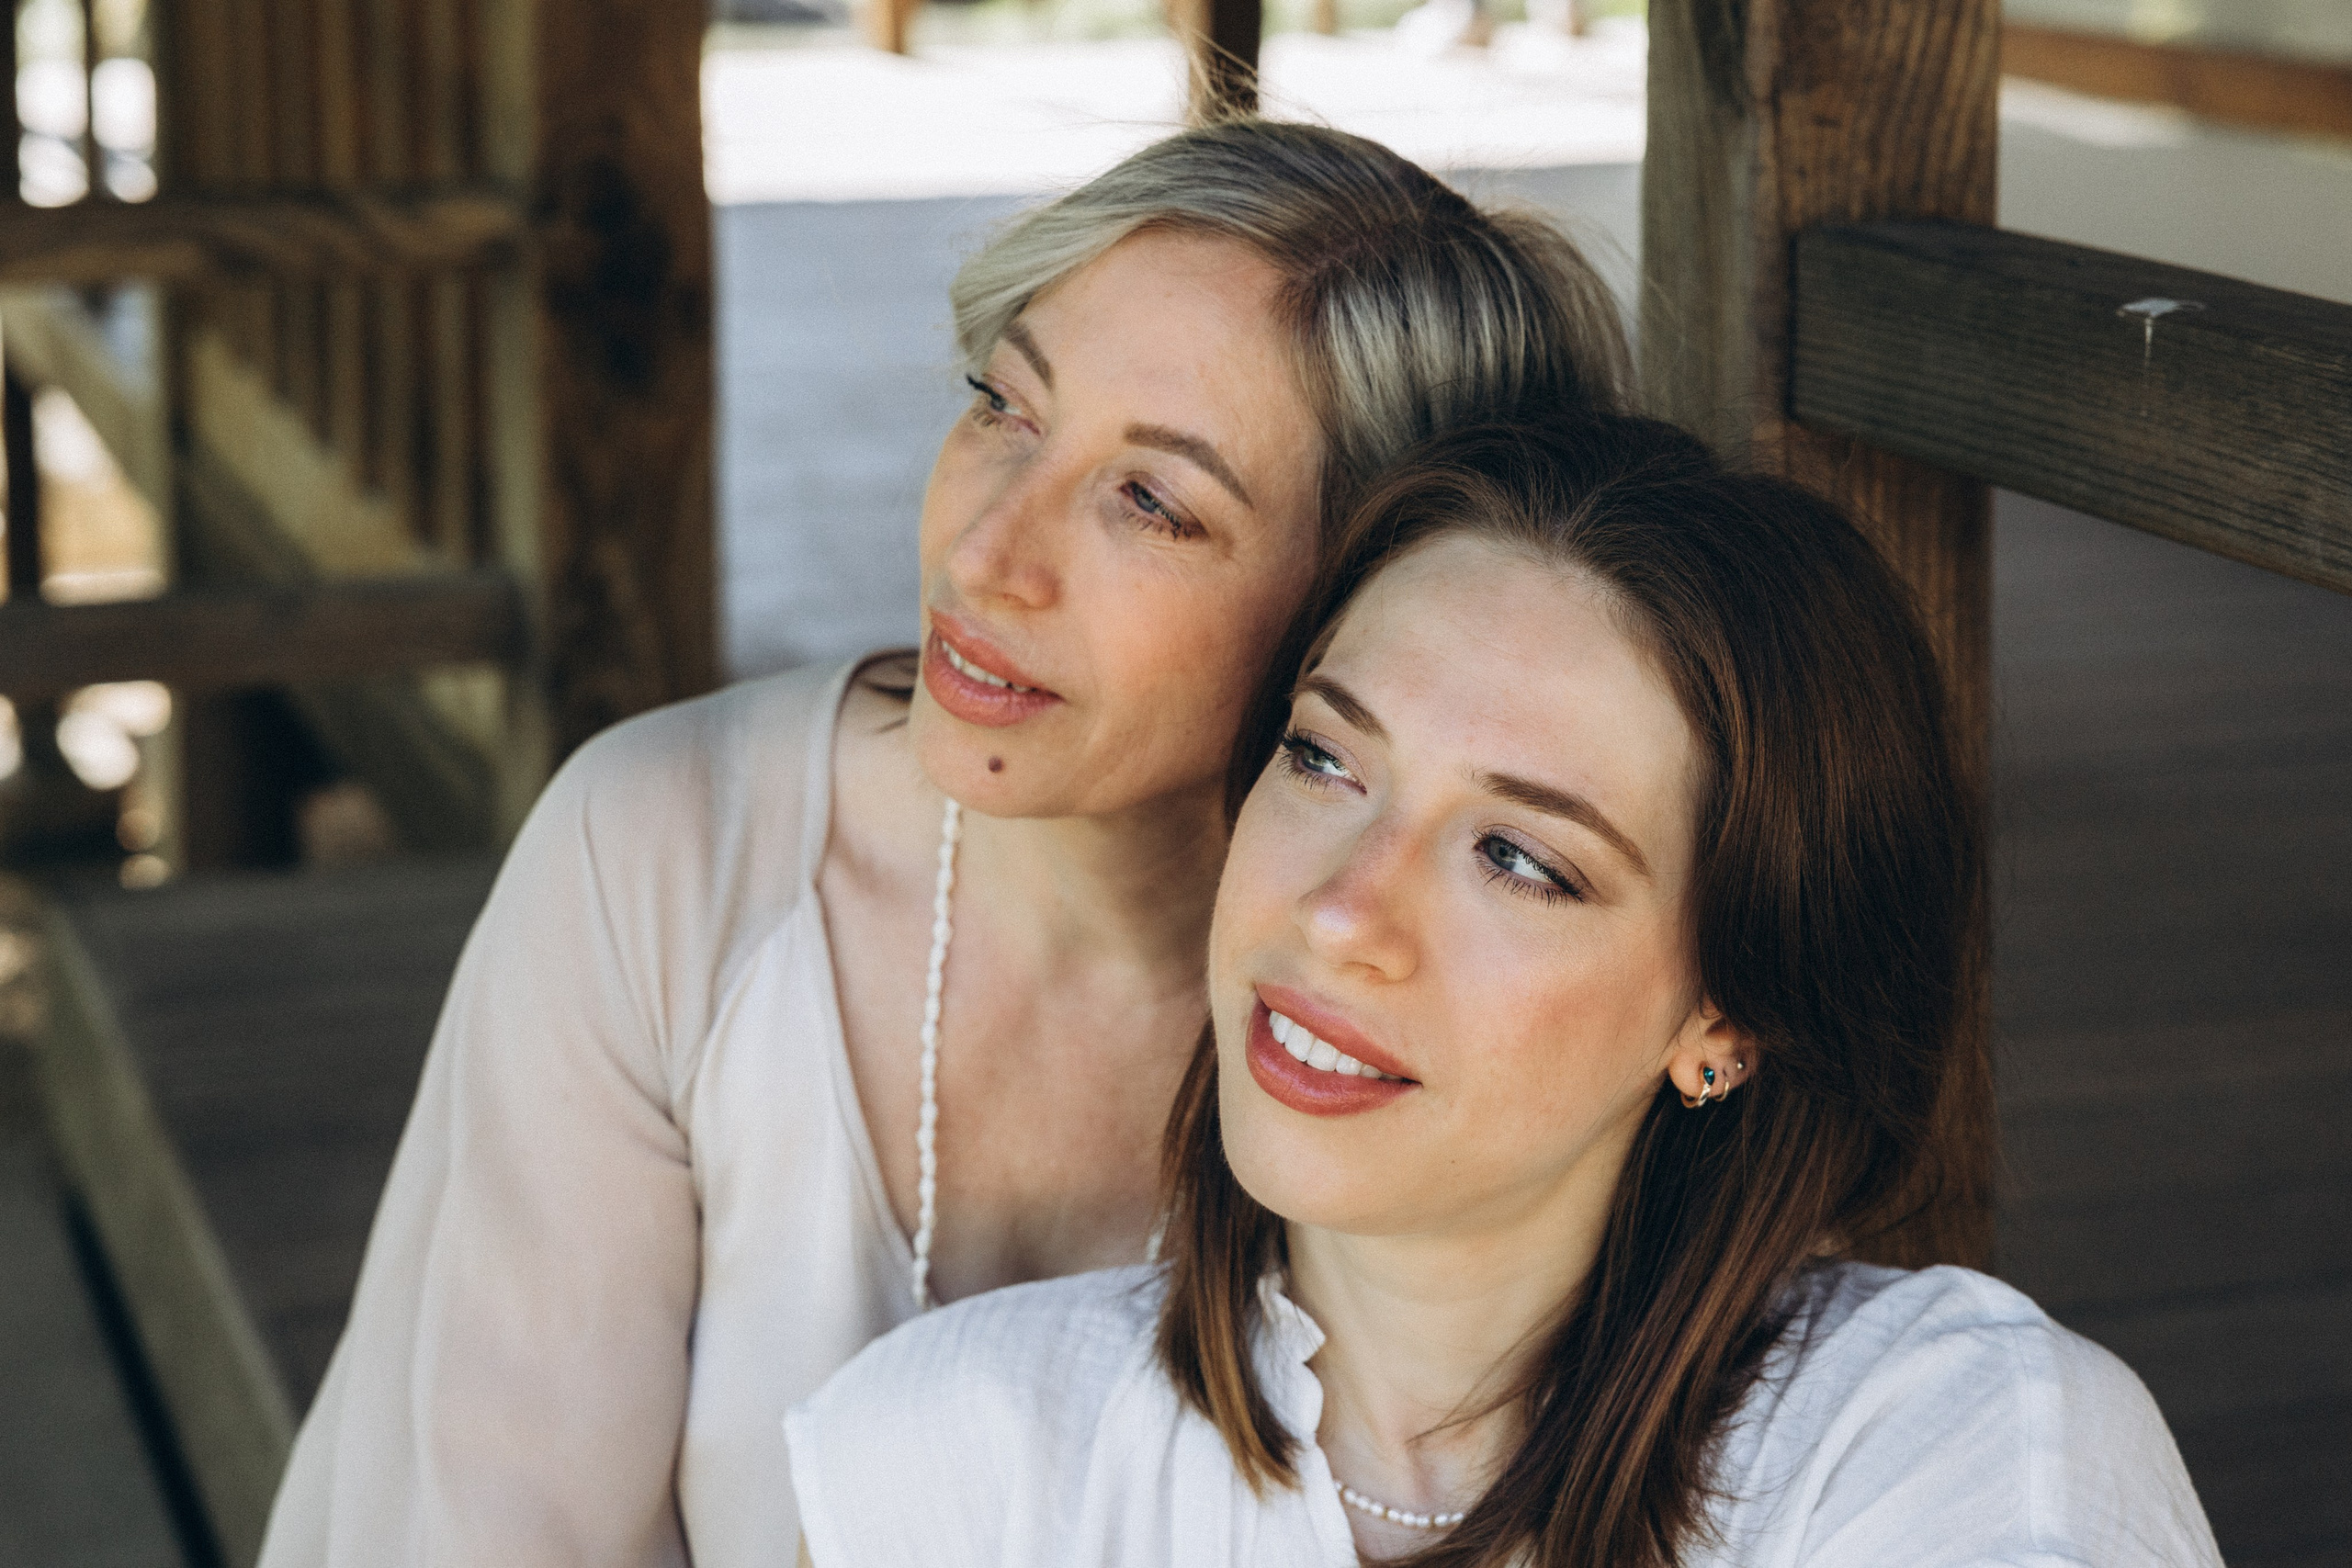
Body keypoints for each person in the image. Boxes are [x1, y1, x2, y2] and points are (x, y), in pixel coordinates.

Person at [256, 122, 1631, 1568]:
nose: (986, 554)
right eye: (1003, 406)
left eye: (1153, 502)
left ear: (1376, 600)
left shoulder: (1427, 1026)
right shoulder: (668, 857)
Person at [786, 418, 2223, 1566]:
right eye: (1325, 759)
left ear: (1727, 1015)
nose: (1345, 912)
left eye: (1521, 859)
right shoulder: (946, 1455)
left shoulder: (1953, 1453)